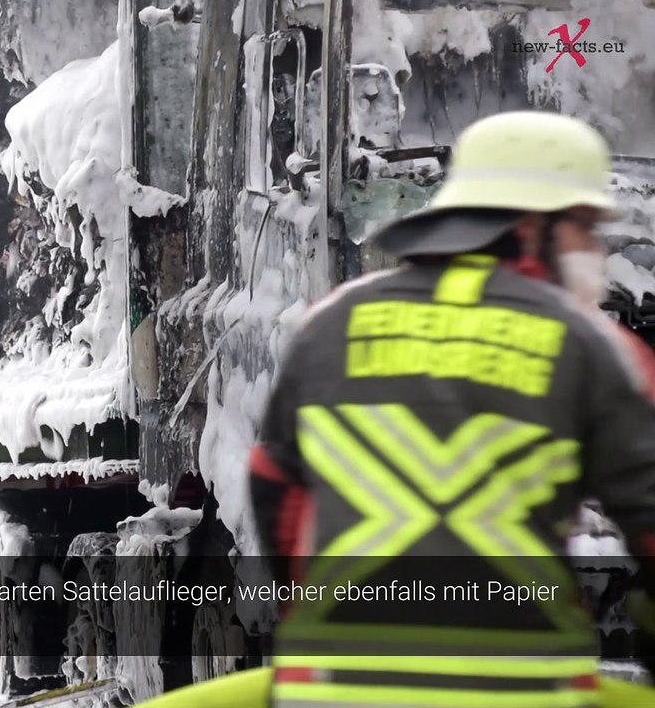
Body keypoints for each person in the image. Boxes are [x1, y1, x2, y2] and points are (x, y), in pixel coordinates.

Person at [136, 111, 655, 708]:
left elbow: (277, 488)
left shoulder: (333, 324)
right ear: (536, 230)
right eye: (585, 230)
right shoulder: (591, 347)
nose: (596, 251)